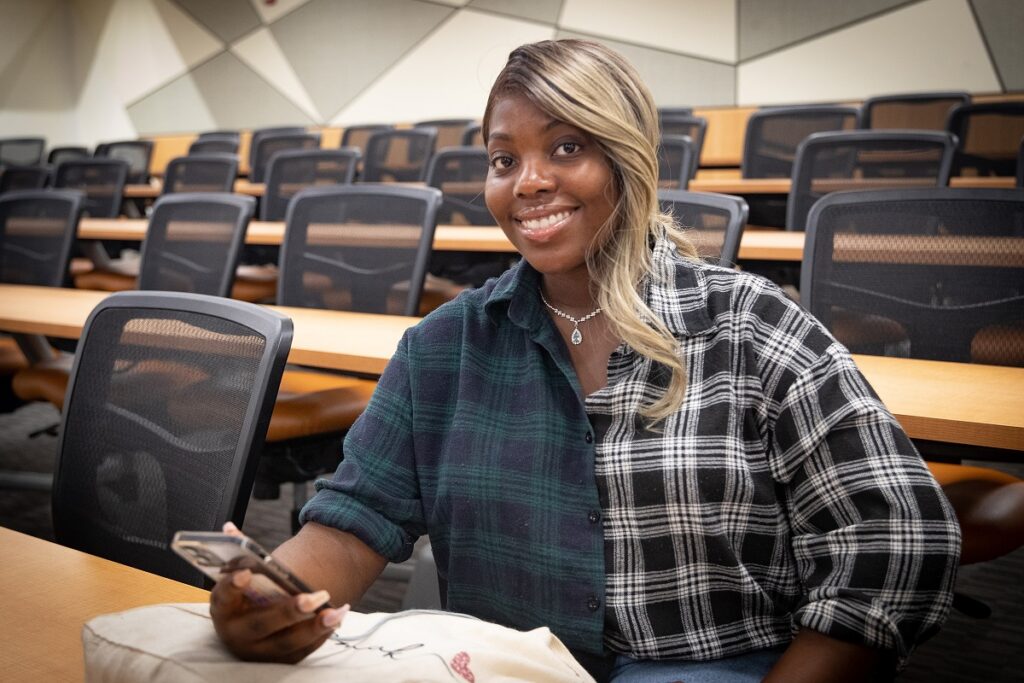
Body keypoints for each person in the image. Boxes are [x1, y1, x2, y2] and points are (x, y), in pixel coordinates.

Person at [211, 39, 961, 682]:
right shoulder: (443, 346)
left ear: (626, 158)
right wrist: (270, 596)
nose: (529, 180)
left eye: (566, 147)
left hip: (708, 664)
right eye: (505, 159)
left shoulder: (748, 323)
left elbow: (896, 534)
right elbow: (353, 522)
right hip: (507, 663)